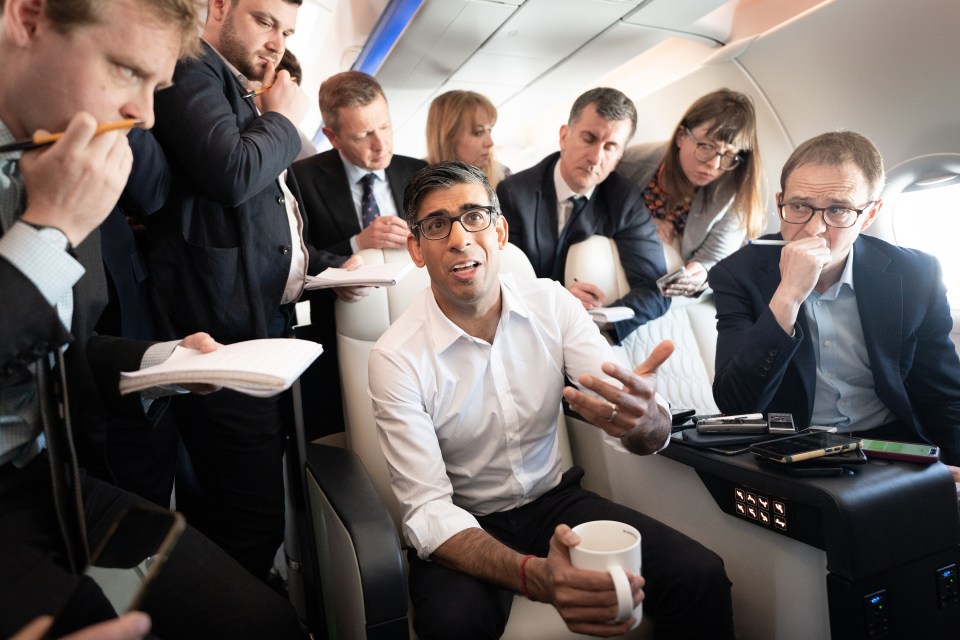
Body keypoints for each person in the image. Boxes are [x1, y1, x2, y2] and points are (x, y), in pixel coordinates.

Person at [0, 0, 302, 637]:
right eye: (123, 70)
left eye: (155, 86)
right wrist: (48, 233)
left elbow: (58, 354)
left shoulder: (68, 156)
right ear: (25, 19)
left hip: (54, 486)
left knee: (261, 622)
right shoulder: (68, 191)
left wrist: (160, 360)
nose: (146, 116)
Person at [369, 161, 735, 639]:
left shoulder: (552, 304)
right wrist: (533, 575)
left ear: (500, 231)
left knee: (700, 576)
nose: (460, 239)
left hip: (554, 501)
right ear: (416, 249)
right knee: (451, 625)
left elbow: (630, 414)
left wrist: (648, 420)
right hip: (465, 520)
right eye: (437, 225)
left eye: (475, 216)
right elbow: (427, 510)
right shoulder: (395, 357)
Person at [147, 0, 364, 580]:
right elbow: (231, 174)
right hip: (218, 337)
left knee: (263, 503)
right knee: (245, 517)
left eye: (287, 31)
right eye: (266, 21)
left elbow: (264, 224)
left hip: (257, 326)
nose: (276, 41)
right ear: (217, 8)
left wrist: (325, 267)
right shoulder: (190, 66)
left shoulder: (240, 91)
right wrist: (286, 119)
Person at [709, 131, 960, 481]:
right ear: (780, 203)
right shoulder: (737, 275)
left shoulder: (916, 274)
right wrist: (788, 297)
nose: (814, 229)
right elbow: (736, 403)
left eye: (838, 210)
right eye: (799, 207)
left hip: (891, 444)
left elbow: (943, 394)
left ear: (869, 215)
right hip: (791, 447)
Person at [291, 70, 425, 437]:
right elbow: (296, 256)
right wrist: (356, 245)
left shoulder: (419, 173)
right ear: (332, 137)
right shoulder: (299, 179)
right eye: (364, 134)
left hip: (420, 334)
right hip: (338, 342)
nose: (380, 143)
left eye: (385, 126)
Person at [498, 87, 668, 344]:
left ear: (619, 155)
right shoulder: (514, 193)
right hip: (527, 335)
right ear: (564, 136)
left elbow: (657, 289)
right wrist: (559, 301)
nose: (596, 157)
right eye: (589, 139)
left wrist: (603, 319)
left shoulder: (624, 200)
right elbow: (502, 285)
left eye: (610, 147)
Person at [617, 89, 764, 297]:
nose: (714, 164)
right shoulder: (630, 164)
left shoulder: (734, 193)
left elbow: (715, 257)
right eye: (706, 147)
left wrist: (698, 274)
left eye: (729, 155)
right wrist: (642, 225)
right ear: (681, 137)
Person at [425, 89, 509, 189]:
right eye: (478, 132)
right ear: (449, 139)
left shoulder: (503, 177)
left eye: (489, 130)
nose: (490, 143)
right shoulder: (414, 182)